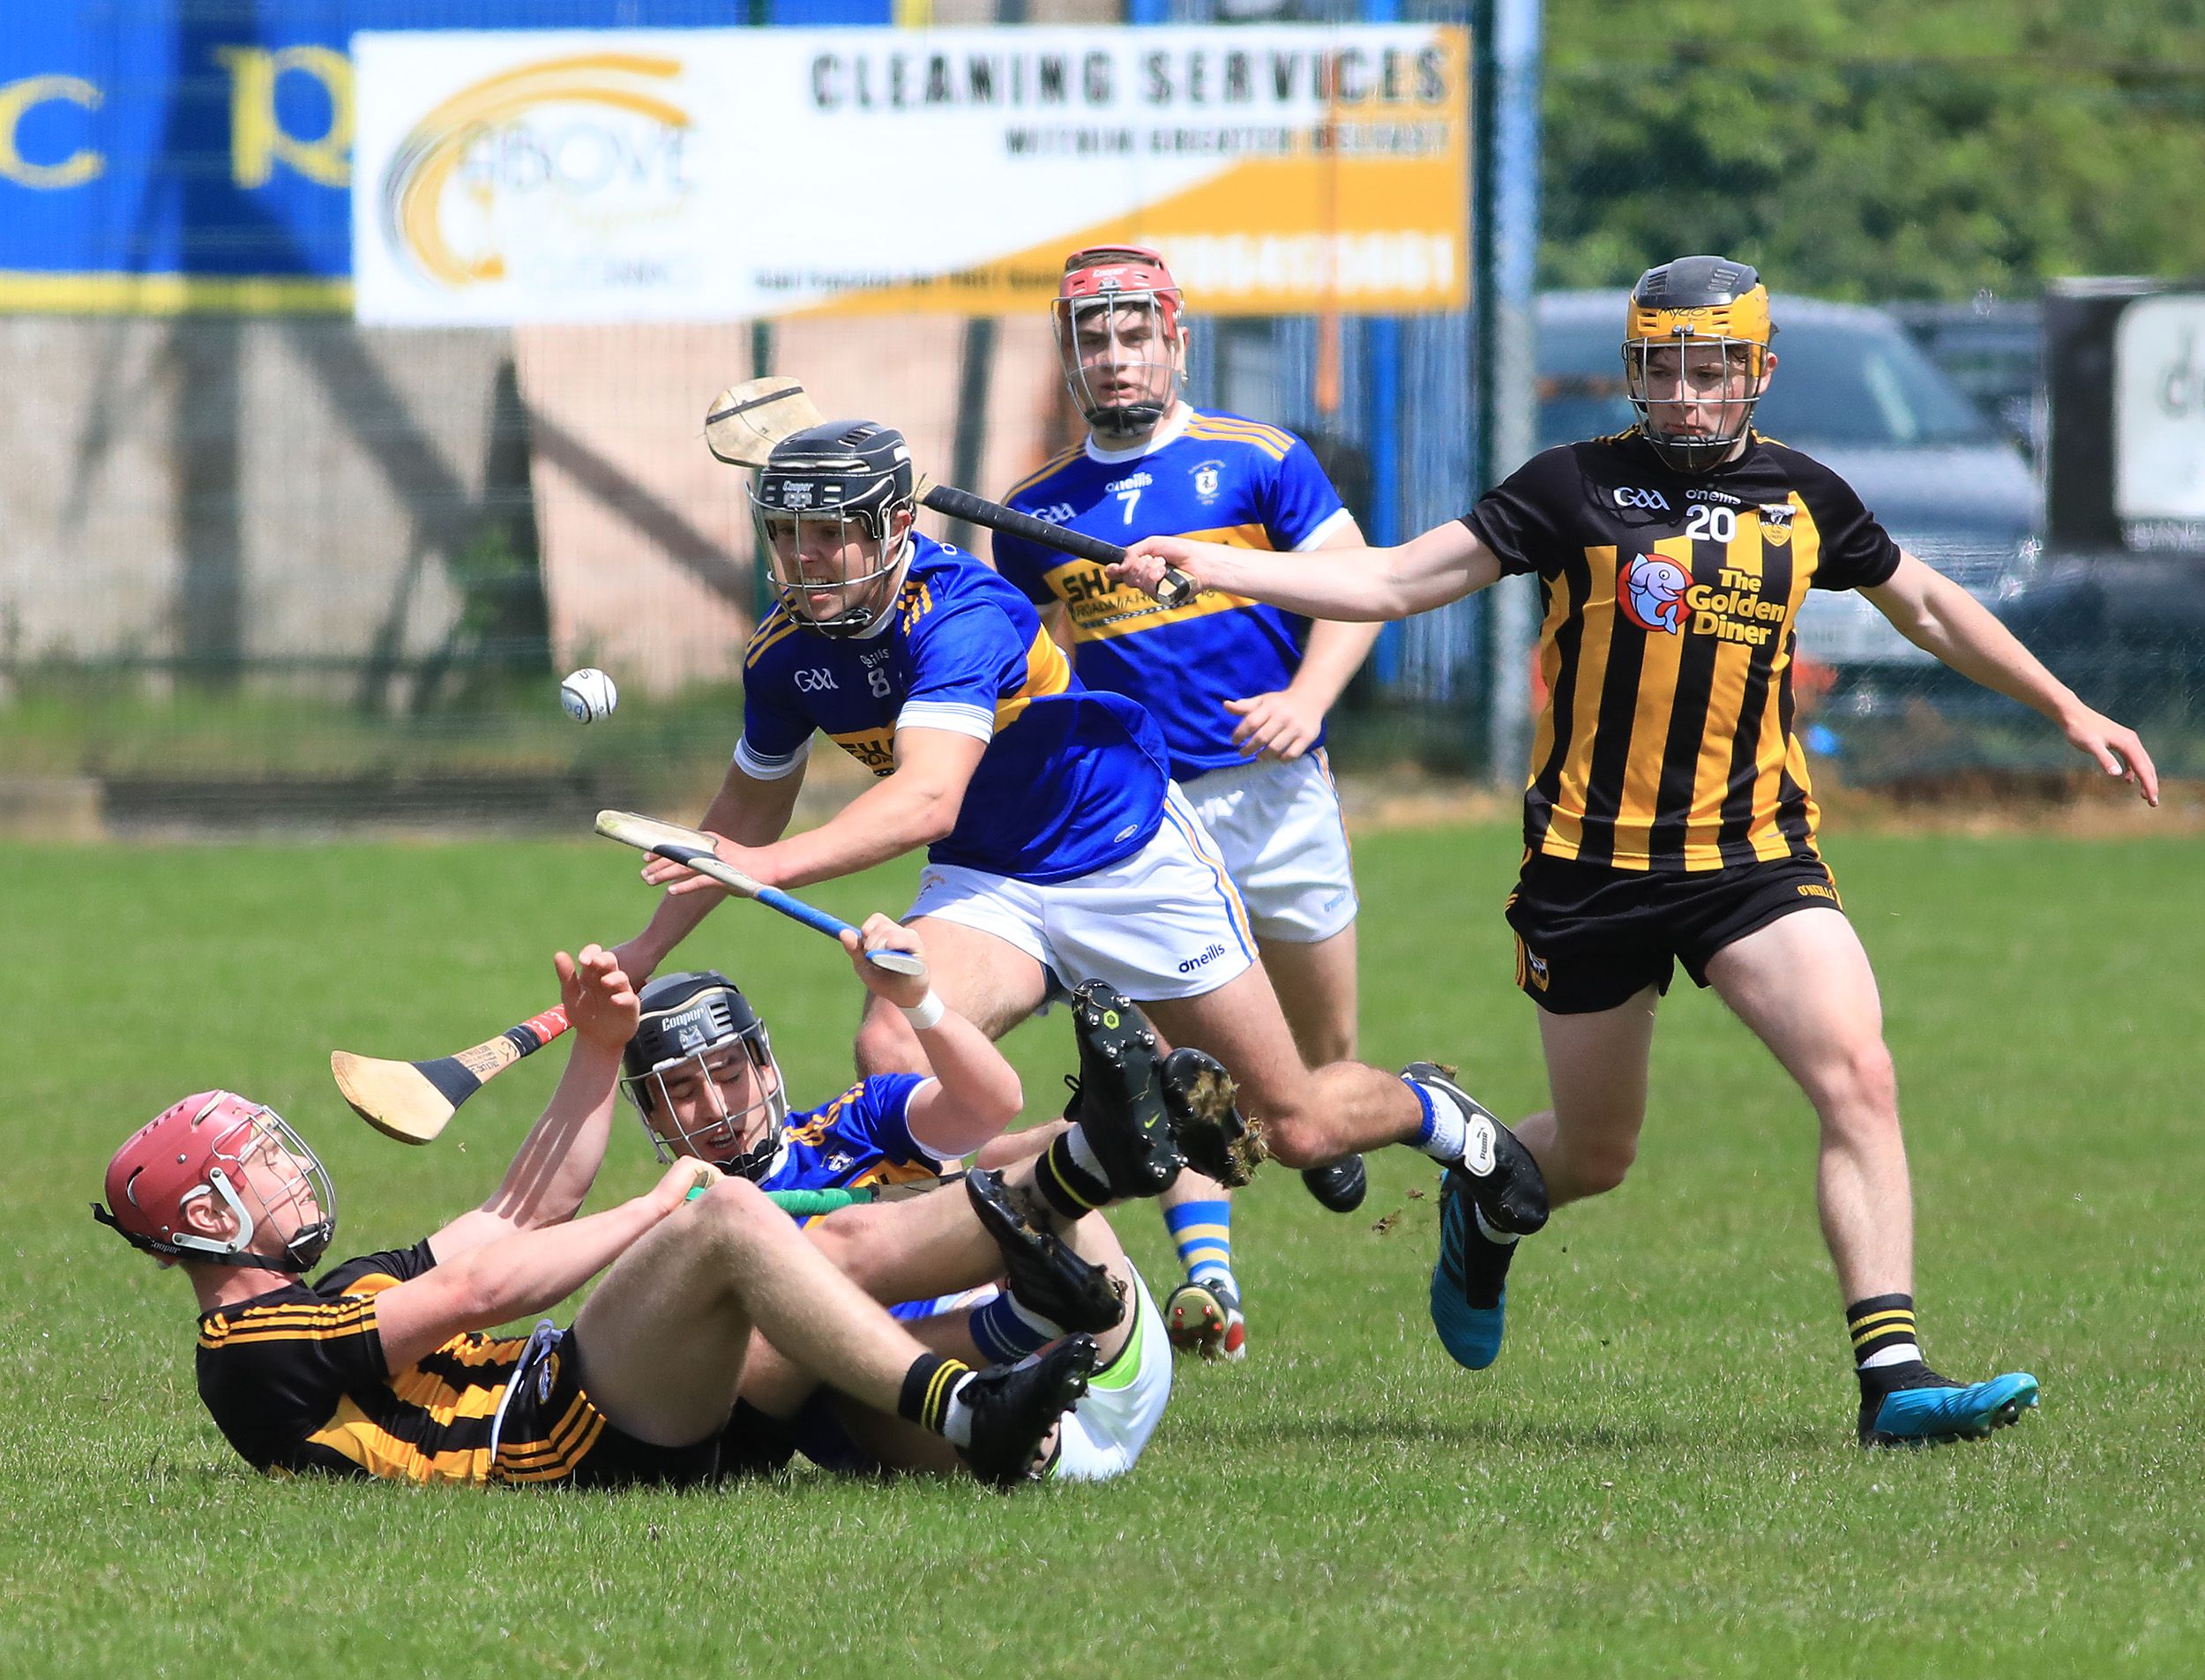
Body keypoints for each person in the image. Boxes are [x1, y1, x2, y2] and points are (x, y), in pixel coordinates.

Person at [1109, 255, 2163, 1446]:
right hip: (1589, 868)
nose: (1688, 398)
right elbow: (1399, 580)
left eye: (1712, 373)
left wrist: (2067, 707)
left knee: (1858, 1074)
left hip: (1754, 858)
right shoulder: (1571, 487)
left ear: (1757, 372)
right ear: (1634, 374)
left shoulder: (1804, 496)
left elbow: (1924, 604)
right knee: (1598, 1154)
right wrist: (1216, 561)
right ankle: (1485, 1211)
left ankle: (1894, 1378)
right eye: (1664, 373)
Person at [608, 419, 1550, 1364]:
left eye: (829, 535)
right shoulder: (783, 653)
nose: (804, 560)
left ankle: (1431, 1111)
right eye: (786, 537)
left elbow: (924, 798)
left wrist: (762, 866)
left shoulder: (961, 610)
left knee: (1291, 1125)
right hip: (991, 878)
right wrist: (648, 950)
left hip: (1124, 854)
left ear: (894, 524)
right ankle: (996, 1269)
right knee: (894, 1039)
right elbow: (744, 817)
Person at [93, 945, 1095, 1489]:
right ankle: (970, 1409)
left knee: (818, 1245)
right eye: (264, 1167)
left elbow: (519, 1213)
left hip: (601, 1396)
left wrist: (598, 1046)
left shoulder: (339, 1294)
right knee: (726, 1218)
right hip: (564, 1435)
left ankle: (1081, 1173)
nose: (294, 1173)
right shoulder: (252, 1349)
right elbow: (482, 1288)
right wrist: (660, 1205)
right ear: (210, 1213)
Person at [988, 244, 1382, 1359]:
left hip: (1276, 793)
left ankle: (1325, 1117)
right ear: (1069, 358)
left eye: (1132, 336)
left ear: (1175, 340)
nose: (1113, 359)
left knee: (1317, 1051)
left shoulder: (1258, 462)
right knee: (1164, 1059)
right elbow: (1021, 666)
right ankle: (1210, 1280)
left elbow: (1357, 588)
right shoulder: (1033, 512)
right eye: (1091, 341)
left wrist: (1307, 700)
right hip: (1140, 816)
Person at [619, 913, 1222, 1482]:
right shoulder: (682, 1231)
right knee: (833, 1332)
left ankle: (1123, 1136)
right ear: (650, 1115)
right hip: (989, 1434)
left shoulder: (855, 1118)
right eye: (681, 1090)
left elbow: (990, 1105)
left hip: (1106, 1339)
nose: (719, 1107)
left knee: (995, 1164)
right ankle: (1082, 1187)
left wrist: (919, 1001)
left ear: (766, 1065)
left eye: (727, 1073)